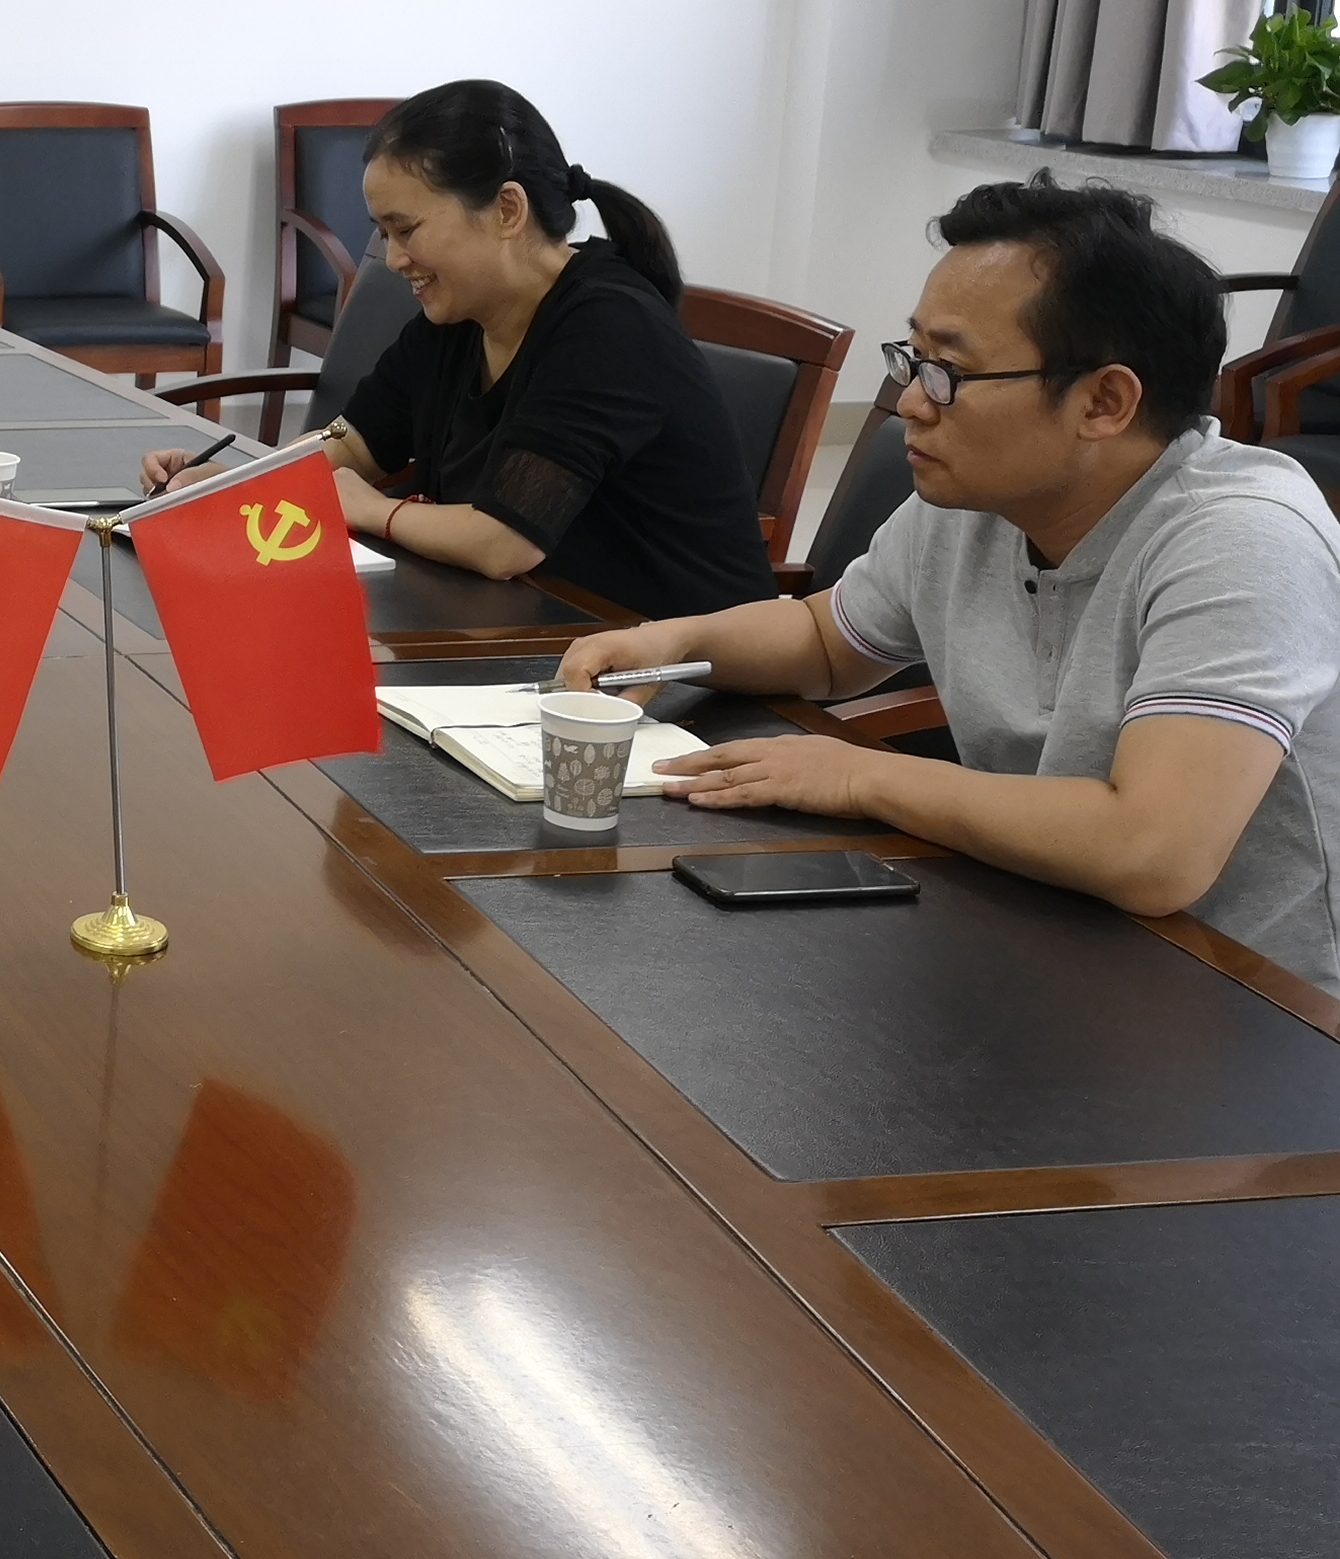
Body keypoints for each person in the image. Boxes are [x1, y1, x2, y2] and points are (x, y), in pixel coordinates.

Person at [565, 178, 1340, 986]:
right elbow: (827, 643)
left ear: (1104, 401)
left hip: (1246, 997)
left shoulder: (1244, 540)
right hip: (1040, 928)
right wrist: (672, 642)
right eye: (913, 360)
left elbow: (1152, 852)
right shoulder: (979, 499)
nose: (908, 403)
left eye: (948, 373)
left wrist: (860, 775)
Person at [141, 79, 771, 617]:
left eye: (406, 230)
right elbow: (351, 446)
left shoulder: (608, 327)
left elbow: (504, 542)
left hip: (673, 665)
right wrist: (225, 483)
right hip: (534, 628)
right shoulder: (460, 316)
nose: (393, 259)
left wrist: (372, 512)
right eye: (383, 233)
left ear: (507, 210)